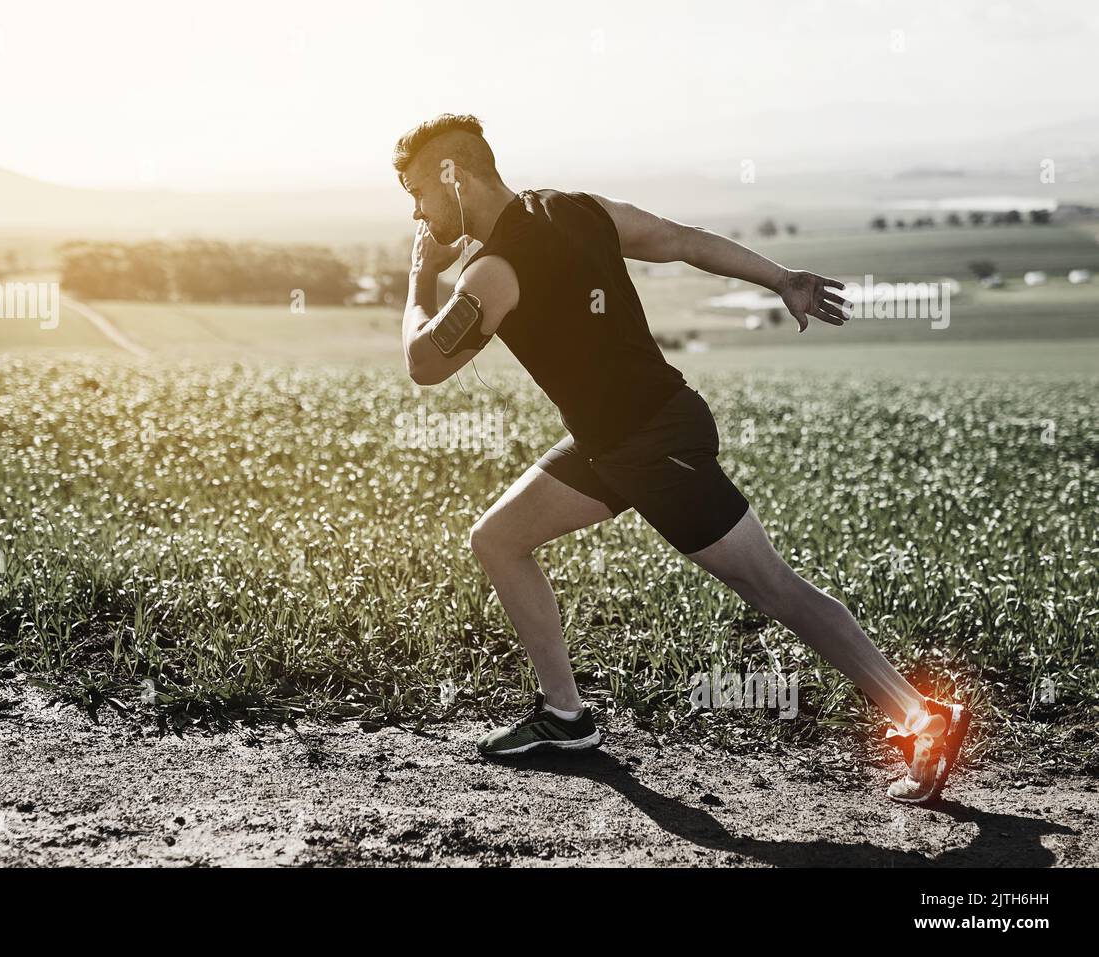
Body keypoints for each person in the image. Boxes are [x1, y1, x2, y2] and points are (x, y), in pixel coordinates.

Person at [393, 113, 969, 805]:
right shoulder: (577, 209)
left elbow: (423, 362)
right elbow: (681, 240)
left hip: (654, 445)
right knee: (499, 538)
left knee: (772, 587)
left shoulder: (494, 271)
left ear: (453, 175)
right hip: (612, 443)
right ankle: (566, 716)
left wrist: (419, 278)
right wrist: (781, 277)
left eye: (419, 192)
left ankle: (921, 714)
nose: (418, 212)